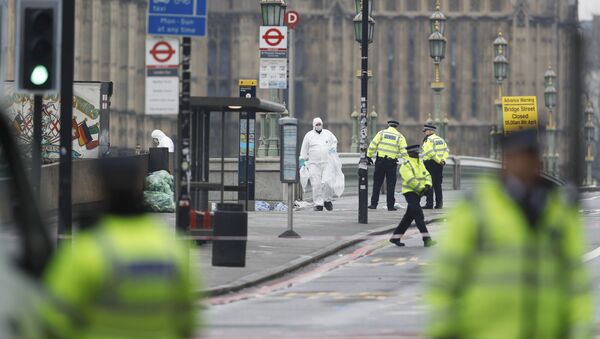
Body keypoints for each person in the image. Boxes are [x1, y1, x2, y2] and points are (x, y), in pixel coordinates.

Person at [428, 129, 593, 339]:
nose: (531, 163)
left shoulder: (559, 211)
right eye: (523, 156)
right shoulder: (476, 208)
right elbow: (445, 280)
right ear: (507, 160)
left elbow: (576, 283)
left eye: (534, 155)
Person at [41, 157, 198, 338]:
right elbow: (188, 325)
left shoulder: (87, 252)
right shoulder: (173, 250)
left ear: (102, 188)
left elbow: (52, 321)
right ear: (140, 187)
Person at [390, 145, 436, 247]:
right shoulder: (406, 164)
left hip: (418, 192)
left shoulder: (420, 162)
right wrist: (422, 188)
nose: (418, 153)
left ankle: (395, 238)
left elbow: (427, 174)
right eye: (416, 152)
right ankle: (427, 240)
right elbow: (410, 180)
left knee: (408, 217)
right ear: (411, 153)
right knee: (419, 216)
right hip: (410, 192)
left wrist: (428, 185)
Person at [366, 120, 408, 211]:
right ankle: (390, 206)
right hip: (391, 163)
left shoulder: (381, 133)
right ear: (396, 127)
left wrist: (369, 156)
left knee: (377, 184)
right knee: (391, 185)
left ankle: (373, 204)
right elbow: (404, 151)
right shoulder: (399, 136)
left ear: (388, 125)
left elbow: (373, 145)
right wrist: (408, 161)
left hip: (380, 161)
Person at [299, 117, 338, 211]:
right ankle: (318, 204)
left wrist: (333, 149)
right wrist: (302, 160)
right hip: (314, 164)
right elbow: (304, 149)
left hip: (327, 162)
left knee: (327, 183)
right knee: (316, 184)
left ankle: (327, 200)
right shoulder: (309, 136)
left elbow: (334, 142)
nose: (318, 126)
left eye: (319, 124)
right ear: (313, 125)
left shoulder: (328, 134)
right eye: (316, 124)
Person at [421, 124, 449, 209]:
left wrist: (438, 160)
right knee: (438, 185)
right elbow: (446, 150)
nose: (425, 133)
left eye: (425, 131)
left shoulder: (428, 140)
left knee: (429, 184)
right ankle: (439, 204)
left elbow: (430, 152)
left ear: (430, 131)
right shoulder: (441, 139)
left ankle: (429, 204)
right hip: (439, 165)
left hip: (430, 164)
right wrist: (443, 160)